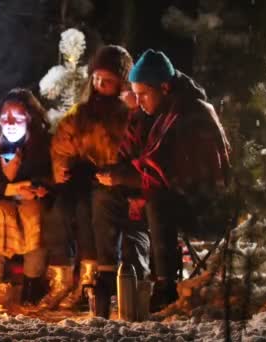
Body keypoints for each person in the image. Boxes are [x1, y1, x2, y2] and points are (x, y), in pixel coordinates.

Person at [108, 49, 231, 311]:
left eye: (143, 94)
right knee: (118, 197)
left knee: (156, 201)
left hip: (206, 207)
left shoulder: (190, 115)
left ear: (163, 87)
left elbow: (170, 171)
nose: (137, 102)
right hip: (184, 197)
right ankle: (129, 279)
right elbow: (146, 158)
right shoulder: (167, 109)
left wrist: (123, 177)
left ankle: (165, 287)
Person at [42, 45, 150, 316]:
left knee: (91, 211)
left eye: (109, 80)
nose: (101, 83)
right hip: (83, 178)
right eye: (97, 78)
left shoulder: (129, 115)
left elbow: (132, 149)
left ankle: (91, 282)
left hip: (116, 181)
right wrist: (63, 169)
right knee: (60, 211)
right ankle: (61, 278)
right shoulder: (81, 113)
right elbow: (62, 144)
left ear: (122, 83)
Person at [0, 88, 51, 305]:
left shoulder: (41, 146)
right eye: (5, 117)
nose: (10, 122)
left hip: (30, 203)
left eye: (17, 117)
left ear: (29, 119)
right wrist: (12, 189)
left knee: (32, 213)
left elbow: (49, 177)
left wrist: (39, 189)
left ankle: (32, 282)